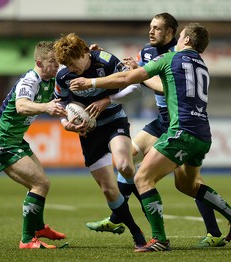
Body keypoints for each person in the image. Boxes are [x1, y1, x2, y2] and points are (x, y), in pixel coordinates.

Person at [70, 23, 231, 252]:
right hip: (202, 134)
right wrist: (100, 57)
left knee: (142, 178)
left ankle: (159, 240)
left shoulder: (171, 58)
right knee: (187, 185)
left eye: (180, 36)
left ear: (185, 40)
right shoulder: (202, 65)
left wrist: (91, 82)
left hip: (181, 131)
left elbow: (128, 78)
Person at [53, 33, 146, 248]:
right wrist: (67, 123)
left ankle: (155, 221)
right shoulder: (63, 75)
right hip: (89, 132)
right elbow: (60, 105)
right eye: (66, 64)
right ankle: (136, 234)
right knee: (108, 189)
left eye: (73, 63)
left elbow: (136, 88)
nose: (71, 69)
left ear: (85, 53)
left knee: (125, 166)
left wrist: (107, 100)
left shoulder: (106, 60)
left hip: (114, 121)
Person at [0, 41, 68, 249]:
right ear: (39, 62)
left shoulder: (50, 79)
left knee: (43, 184)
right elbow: (21, 106)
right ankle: (27, 239)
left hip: (15, 141)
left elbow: (58, 104)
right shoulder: (30, 80)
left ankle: (38, 227)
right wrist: (46, 107)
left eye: (57, 60)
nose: (56, 64)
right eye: (52, 61)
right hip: (2, 143)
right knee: (39, 184)